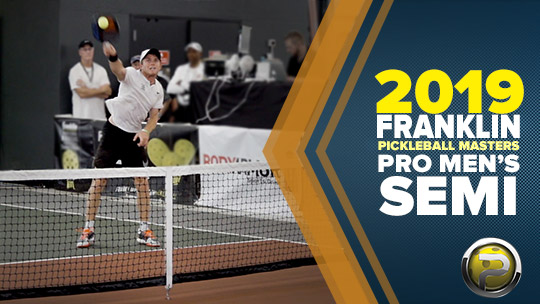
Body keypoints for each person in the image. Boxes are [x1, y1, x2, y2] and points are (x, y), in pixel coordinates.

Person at [77, 42, 164, 248]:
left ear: (160, 65)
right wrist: (113, 57)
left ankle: (144, 230)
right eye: (147, 60)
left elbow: (154, 116)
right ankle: (88, 229)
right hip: (113, 133)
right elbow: (117, 70)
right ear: (140, 65)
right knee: (99, 181)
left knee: (142, 182)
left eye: (155, 60)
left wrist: (146, 131)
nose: (152, 63)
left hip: (133, 136)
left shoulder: (159, 89)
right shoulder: (132, 75)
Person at [68, 40, 112, 119]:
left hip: (99, 117)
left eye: (90, 49)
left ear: (93, 51)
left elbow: (108, 92)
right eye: (85, 49)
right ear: (80, 52)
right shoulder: (75, 71)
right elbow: (82, 94)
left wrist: (87, 89)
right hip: (81, 118)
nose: (88, 52)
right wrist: (100, 91)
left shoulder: (101, 70)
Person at [166, 42, 204, 122]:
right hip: (181, 109)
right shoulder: (181, 69)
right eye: (189, 52)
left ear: (200, 54)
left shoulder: (204, 69)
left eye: (194, 52)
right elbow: (170, 88)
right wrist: (187, 89)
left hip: (198, 109)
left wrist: (182, 84)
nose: (191, 54)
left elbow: (202, 90)